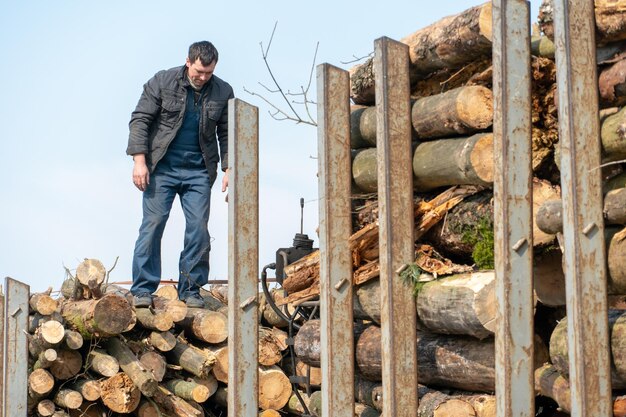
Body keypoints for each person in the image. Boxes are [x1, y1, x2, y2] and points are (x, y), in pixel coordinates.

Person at [126, 41, 234, 308]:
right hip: (161, 168)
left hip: (199, 171)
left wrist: (230, 169)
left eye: (208, 73)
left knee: (198, 229)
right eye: (199, 71)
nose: (203, 77)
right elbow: (140, 119)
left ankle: (191, 290)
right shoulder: (162, 82)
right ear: (188, 62)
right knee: (152, 226)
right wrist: (139, 161)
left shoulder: (223, 91)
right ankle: (142, 290)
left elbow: (228, 132)